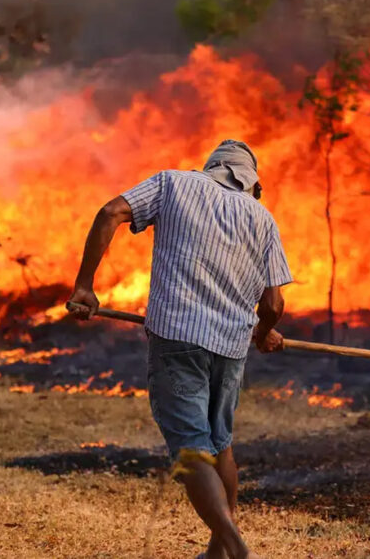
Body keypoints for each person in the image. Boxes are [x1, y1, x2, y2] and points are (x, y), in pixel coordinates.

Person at [68, 139, 291, 559]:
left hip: (178, 338)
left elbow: (110, 212)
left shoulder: (173, 184)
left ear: (210, 168)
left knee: (191, 446)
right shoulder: (262, 219)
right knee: (220, 443)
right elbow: (274, 305)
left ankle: (235, 547)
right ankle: (217, 553)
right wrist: (263, 332)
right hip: (229, 348)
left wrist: (85, 285)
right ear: (251, 183)